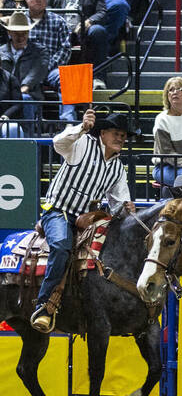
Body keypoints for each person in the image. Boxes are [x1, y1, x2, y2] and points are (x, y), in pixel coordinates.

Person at [30, 109, 135, 332]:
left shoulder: (117, 168)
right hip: (58, 211)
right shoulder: (82, 143)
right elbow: (58, 143)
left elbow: (120, 201)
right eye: (116, 133)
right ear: (103, 133)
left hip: (88, 220)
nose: (120, 139)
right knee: (60, 247)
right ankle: (44, 305)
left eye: (124, 136)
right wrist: (81, 128)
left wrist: (128, 208)